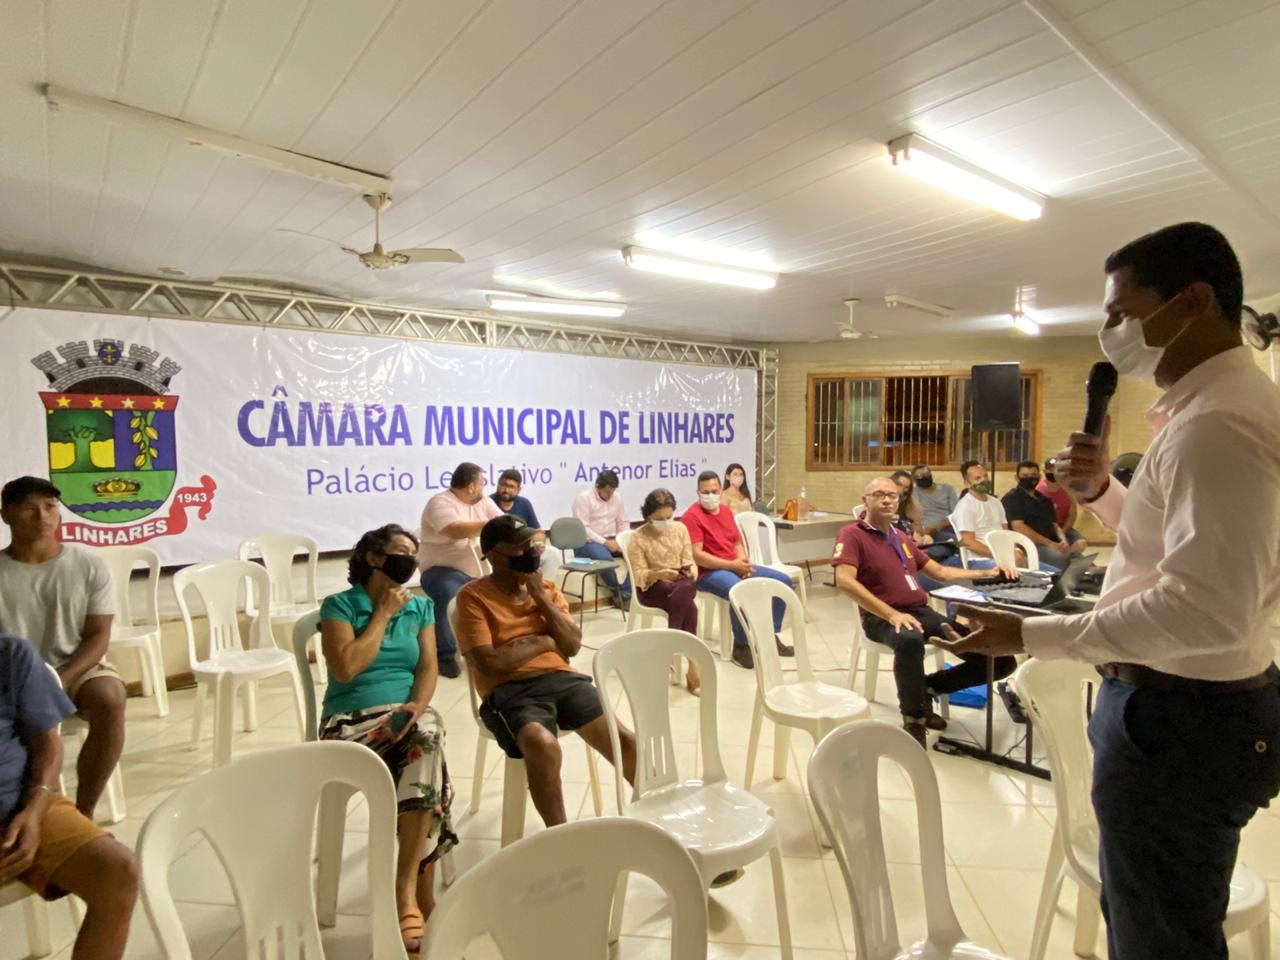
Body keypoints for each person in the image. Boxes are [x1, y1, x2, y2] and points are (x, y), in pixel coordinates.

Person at [945, 223, 1280, 960]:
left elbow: (1204, 610)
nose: (1109, 332)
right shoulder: (1219, 411)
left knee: (1160, 940)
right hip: (1191, 711)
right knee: (1158, 920)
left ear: (1192, 302)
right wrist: (1100, 490)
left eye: (1121, 311)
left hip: (1179, 725)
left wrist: (1031, 634)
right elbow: (1169, 548)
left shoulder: (1216, 426)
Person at [319, 524, 457, 952]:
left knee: (427, 735)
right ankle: (416, 895)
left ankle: (403, 892)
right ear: (374, 557)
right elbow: (346, 668)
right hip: (350, 724)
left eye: (413, 553)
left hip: (407, 718)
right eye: (400, 551)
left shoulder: (421, 606)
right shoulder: (340, 606)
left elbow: (428, 667)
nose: (409, 560)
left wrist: (415, 707)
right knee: (432, 763)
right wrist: (381, 614)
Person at [455, 515, 637, 829]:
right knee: (542, 744)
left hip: (562, 679)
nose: (531, 552)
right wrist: (544, 641)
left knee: (625, 740)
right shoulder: (473, 597)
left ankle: (658, 816)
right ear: (494, 555)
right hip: (509, 691)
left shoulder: (547, 590)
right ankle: (560, 836)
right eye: (520, 548)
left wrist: (538, 597)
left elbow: (572, 644)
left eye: (533, 545)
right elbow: (490, 664)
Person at [834, 478, 1018, 747]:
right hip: (880, 617)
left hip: (921, 612)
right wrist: (892, 615)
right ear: (866, 501)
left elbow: (940, 572)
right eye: (879, 495)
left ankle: (927, 687)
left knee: (999, 659)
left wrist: (987, 572)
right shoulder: (852, 534)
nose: (886, 500)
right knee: (909, 640)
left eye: (892, 495)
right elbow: (844, 581)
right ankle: (914, 719)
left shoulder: (901, 538)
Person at [1, 632, 138, 960]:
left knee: (117, 872)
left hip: (19, 802)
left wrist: (34, 811)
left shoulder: (10, 654)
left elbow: (48, 743)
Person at [0, 477, 123, 820]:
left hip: (75, 668)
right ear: (6, 515)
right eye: (29, 508)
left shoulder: (89, 565)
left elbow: (98, 635)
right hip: (13, 678)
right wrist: (35, 686)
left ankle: (84, 813)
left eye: (50, 506)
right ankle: (30, 814)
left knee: (110, 696)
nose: (43, 516)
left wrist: (63, 679)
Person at [681, 471, 795, 670]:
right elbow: (697, 555)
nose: (710, 496)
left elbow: (737, 542)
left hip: (734, 564)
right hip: (709, 572)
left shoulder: (726, 512)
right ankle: (741, 645)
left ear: (720, 490)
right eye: (705, 492)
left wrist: (742, 561)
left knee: (782, 581)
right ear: (698, 492)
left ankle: (769, 636)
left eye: (714, 491)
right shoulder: (691, 516)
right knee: (740, 589)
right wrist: (732, 566)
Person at [418, 462, 503, 678]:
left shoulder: (483, 501)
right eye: (482, 483)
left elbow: (502, 522)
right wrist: (490, 525)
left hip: (478, 570)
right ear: (471, 486)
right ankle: (445, 655)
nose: (484, 488)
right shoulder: (440, 502)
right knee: (447, 593)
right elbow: (455, 530)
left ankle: (495, 645)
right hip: (440, 570)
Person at [627, 489, 701, 695]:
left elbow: (689, 561)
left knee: (685, 587)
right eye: (659, 519)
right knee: (690, 606)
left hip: (679, 582)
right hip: (653, 587)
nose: (666, 522)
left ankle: (668, 648)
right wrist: (659, 574)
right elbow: (639, 576)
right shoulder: (638, 537)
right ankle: (693, 667)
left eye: (669, 517)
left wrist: (690, 570)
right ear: (648, 516)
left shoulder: (680, 529)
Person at [1001, 460, 1086, 571]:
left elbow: (1054, 525)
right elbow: (1018, 526)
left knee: (1081, 561)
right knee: (1059, 558)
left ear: (1039, 476)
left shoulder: (1045, 500)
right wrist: (1050, 543)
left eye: (1033, 475)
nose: (1030, 478)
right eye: (1025, 476)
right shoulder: (1012, 498)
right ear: (1017, 478)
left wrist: (1063, 541)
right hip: (1029, 545)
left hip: (1050, 542)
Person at [570, 469, 630, 606]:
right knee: (604, 559)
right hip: (587, 542)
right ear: (597, 487)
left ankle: (626, 592)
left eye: (612, 491)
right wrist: (605, 542)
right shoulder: (583, 498)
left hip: (612, 539)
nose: (610, 495)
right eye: (607, 492)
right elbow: (583, 529)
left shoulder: (617, 497)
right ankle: (620, 593)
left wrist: (622, 540)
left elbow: (622, 521)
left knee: (634, 553)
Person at [943, 461, 1008, 568]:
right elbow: (968, 543)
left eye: (985, 476)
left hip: (1002, 556)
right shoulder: (965, 506)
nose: (984, 480)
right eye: (977, 478)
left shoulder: (996, 502)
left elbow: (1006, 533)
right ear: (967, 484)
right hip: (979, 561)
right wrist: (1000, 555)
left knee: (1037, 568)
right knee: (1016, 572)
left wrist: (1013, 550)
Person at [1038, 457, 1088, 553]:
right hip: (1044, 530)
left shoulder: (1067, 490)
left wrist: (1063, 532)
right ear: (1045, 471)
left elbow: (1072, 516)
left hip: (1063, 527)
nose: (1054, 473)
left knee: (1081, 544)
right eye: (1051, 470)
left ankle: (1068, 558)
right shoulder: (1039, 489)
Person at [911, 464, 959, 562]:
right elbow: (912, 516)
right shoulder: (913, 493)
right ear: (914, 480)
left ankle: (924, 557)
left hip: (946, 528)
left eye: (926, 474)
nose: (924, 477)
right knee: (949, 545)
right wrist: (919, 531)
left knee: (954, 541)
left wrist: (936, 529)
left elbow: (956, 514)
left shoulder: (947, 489)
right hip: (925, 532)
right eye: (920, 476)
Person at [888, 469, 931, 544]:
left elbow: (919, 531)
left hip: (912, 545)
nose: (901, 491)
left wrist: (923, 537)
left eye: (906, 488)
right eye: (899, 485)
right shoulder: (881, 505)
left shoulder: (911, 505)